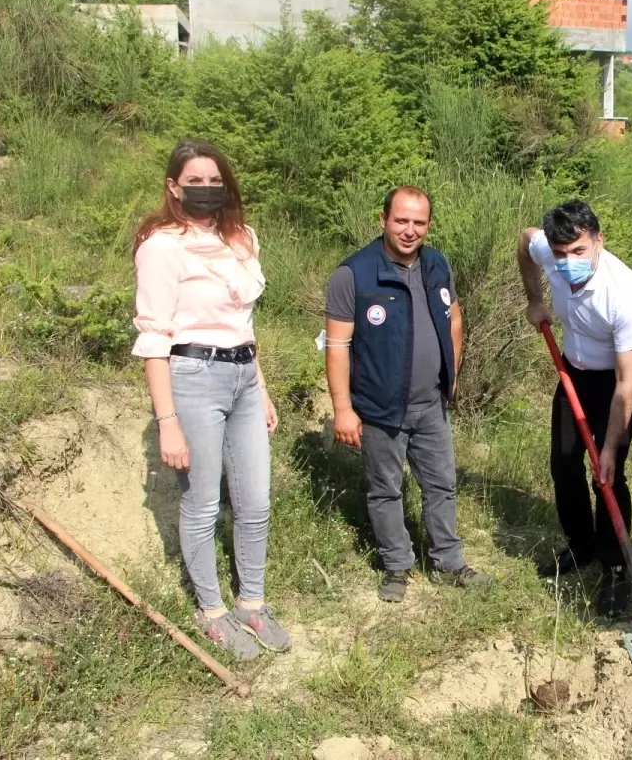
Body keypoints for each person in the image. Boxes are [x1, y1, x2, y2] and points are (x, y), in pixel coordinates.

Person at [132, 138, 289, 660]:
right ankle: (212, 612)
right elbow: (155, 339)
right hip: (193, 375)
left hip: (243, 374)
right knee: (202, 503)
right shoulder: (161, 245)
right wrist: (167, 421)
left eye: (213, 180)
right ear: (173, 187)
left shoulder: (241, 238)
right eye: (193, 182)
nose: (205, 189)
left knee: (255, 500)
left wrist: (260, 388)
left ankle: (252, 603)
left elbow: (244, 323)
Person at [324, 186, 491, 604]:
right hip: (380, 408)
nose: (410, 230)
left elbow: (454, 315)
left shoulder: (437, 263)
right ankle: (397, 566)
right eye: (401, 220)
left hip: (431, 404)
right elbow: (337, 346)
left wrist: (450, 373)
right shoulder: (354, 274)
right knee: (386, 490)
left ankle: (449, 564)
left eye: (419, 222)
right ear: (382, 220)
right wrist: (343, 409)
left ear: (428, 225)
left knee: (442, 485)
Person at [517, 200, 632, 617]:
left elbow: (627, 384)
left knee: (607, 475)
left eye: (579, 251)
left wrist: (609, 447)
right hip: (574, 372)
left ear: (598, 241)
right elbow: (524, 240)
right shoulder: (549, 253)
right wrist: (534, 298)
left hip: (618, 379)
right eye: (560, 255)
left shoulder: (624, 292)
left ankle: (615, 566)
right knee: (563, 462)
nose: (569, 261)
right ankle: (581, 546)